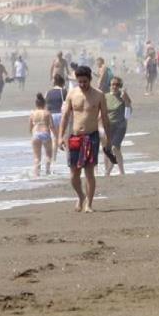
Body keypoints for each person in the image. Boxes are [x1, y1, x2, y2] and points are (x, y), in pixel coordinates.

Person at [59, 66, 111, 212]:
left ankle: (89, 203)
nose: (82, 84)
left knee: (89, 172)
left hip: (92, 136)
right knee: (74, 174)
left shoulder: (99, 95)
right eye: (80, 82)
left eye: (85, 81)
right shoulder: (72, 94)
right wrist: (60, 137)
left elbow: (105, 118)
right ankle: (81, 196)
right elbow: (65, 117)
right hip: (75, 136)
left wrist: (108, 139)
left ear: (90, 79)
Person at [105, 77, 132, 176]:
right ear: (110, 85)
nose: (114, 86)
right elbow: (101, 112)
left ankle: (119, 172)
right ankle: (111, 171)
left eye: (117, 84)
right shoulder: (105, 97)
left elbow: (128, 113)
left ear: (120, 86)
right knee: (111, 150)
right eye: (113, 84)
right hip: (109, 126)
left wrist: (126, 100)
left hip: (120, 126)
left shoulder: (123, 96)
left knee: (114, 148)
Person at [29, 93, 55, 176]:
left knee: (37, 157)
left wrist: (32, 134)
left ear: (36, 104)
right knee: (48, 154)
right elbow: (52, 126)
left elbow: (30, 127)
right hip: (45, 132)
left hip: (36, 133)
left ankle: (37, 173)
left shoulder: (32, 114)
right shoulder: (47, 113)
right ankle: (47, 171)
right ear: (44, 104)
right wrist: (56, 135)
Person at [46, 74, 68, 160]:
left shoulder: (48, 92)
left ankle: (53, 159)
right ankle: (68, 158)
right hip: (61, 115)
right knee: (64, 137)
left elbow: (46, 107)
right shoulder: (64, 91)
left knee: (54, 138)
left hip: (51, 116)